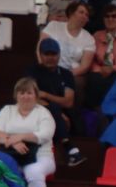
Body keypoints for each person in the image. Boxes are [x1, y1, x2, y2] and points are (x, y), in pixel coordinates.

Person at [0, 76, 58, 187]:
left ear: (36, 95)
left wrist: (20, 136)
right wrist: (12, 142)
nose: (25, 96)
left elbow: (45, 135)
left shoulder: (43, 113)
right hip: (11, 154)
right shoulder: (7, 110)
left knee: (33, 172)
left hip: (41, 156)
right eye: (21, 93)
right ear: (16, 95)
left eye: (29, 93)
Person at [27, 38, 80, 166]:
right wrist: (57, 114)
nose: (50, 58)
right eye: (47, 54)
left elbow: (68, 102)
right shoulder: (32, 71)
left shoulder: (66, 74)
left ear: (59, 54)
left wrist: (45, 95)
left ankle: (70, 149)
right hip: (38, 115)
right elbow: (30, 98)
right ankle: (69, 148)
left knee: (57, 108)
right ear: (40, 55)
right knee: (55, 108)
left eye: (54, 54)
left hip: (66, 116)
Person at [42, 0, 95, 74]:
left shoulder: (89, 39)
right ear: (71, 13)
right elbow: (40, 50)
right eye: (81, 12)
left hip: (72, 75)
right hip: (47, 69)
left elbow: (84, 67)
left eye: (87, 15)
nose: (84, 16)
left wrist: (66, 76)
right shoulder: (53, 26)